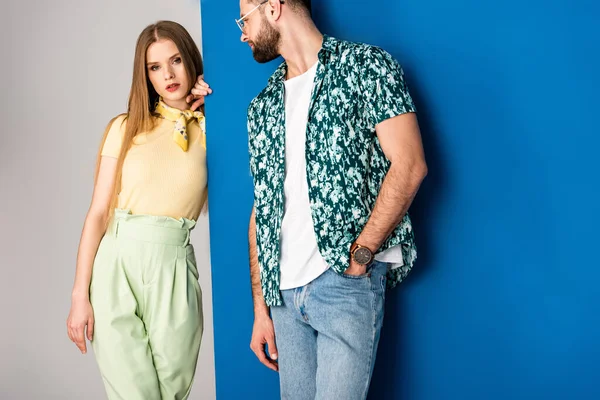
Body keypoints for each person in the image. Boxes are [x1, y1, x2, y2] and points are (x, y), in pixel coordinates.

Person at [238, 1, 428, 398]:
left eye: (245, 19)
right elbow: (263, 207)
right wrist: (261, 307)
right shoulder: (262, 107)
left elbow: (409, 164)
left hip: (343, 284)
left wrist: (361, 255)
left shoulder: (366, 67)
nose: (242, 33)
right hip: (284, 299)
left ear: (272, 8)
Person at [66, 20, 212, 400]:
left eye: (177, 60)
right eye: (155, 67)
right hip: (117, 262)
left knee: (171, 392)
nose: (168, 74)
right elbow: (97, 213)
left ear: (191, 62)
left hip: (174, 267)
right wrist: (80, 295)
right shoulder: (125, 127)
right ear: (144, 75)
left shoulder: (213, 129)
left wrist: (215, 105)